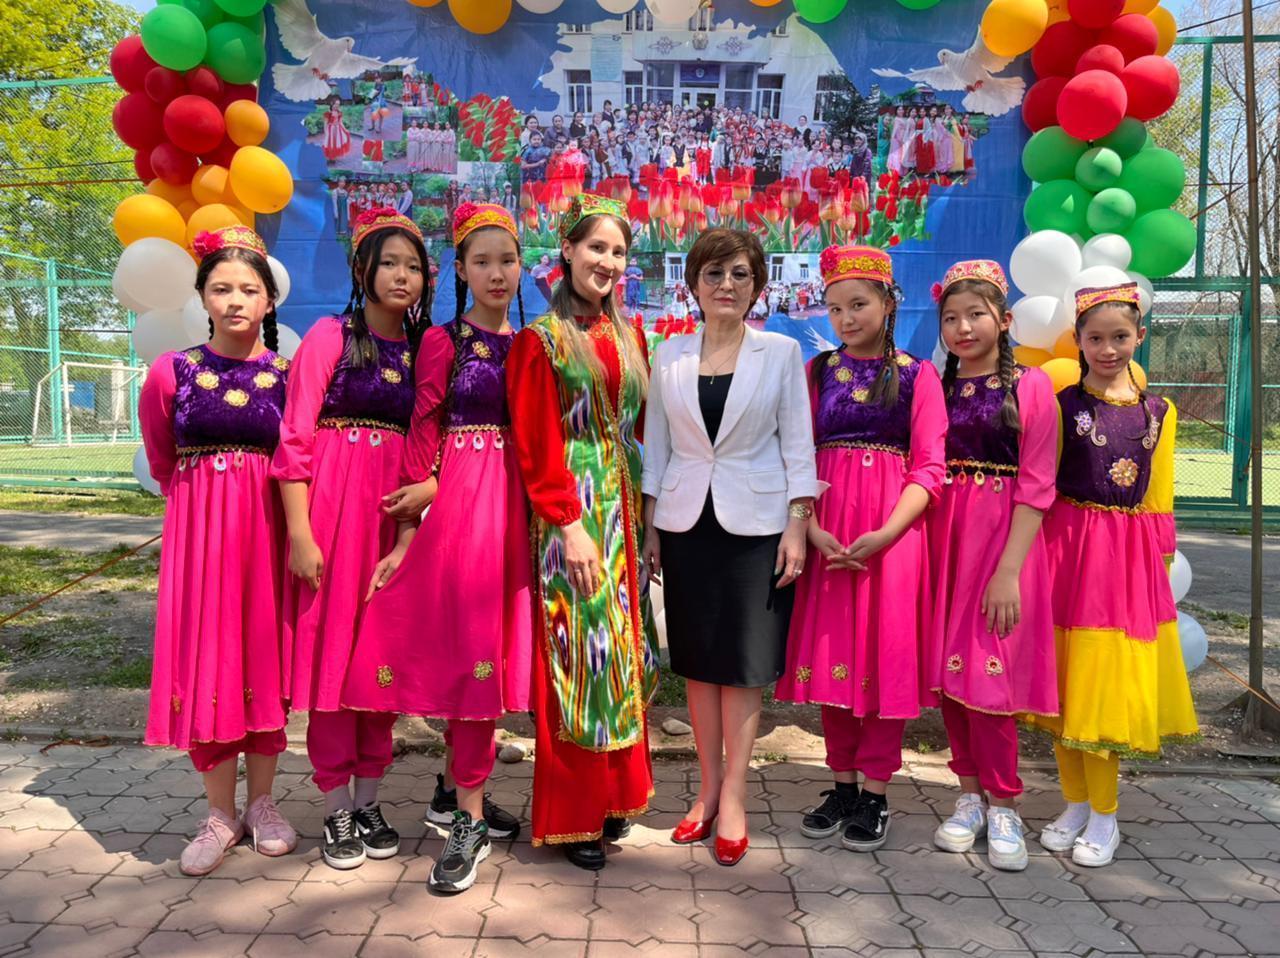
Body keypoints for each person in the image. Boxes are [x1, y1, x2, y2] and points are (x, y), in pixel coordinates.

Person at [348, 203, 529, 893]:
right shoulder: (442, 342)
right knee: (468, 657)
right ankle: (468, 822)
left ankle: (455, 796)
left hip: (517, 512)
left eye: (506, 260)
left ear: (522, 267)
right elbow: (424, 429)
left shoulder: (534, 344)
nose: (495, 273)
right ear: (459, 270)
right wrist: (410, 526)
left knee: (493, 660)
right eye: (481, 261)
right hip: (461, 508)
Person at [641, 229, 817, 867]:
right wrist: (652, 526)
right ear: (693, 283)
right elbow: (657, 450)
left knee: (742, 664)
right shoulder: (669, 355)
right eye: (713, 273)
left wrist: (797, 523)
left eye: (740, 274)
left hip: (759, 526)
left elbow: (798, 446)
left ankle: (736, 797)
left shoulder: (780, 354)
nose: (726, 285)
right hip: (686, 523)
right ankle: (707, 791)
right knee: (698, 663)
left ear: (757, 287)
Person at [271, 207, 430, 870]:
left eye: (413, 266)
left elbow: (438, 438)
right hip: (334, 518)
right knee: (333, 661)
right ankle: (336, 806)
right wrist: (300, 532)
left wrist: (428, 494)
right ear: (362, 269)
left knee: (380, 659)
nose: (401, 276)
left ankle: (369, 799)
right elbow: (294, 438)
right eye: (389, 263)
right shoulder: (328, 338)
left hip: (394, 523)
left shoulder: (425, 351)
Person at [775, 245, 946, 853]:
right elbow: (794, 455)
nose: (846, 318)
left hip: (891, 540)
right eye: (835, 308)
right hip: (828, 536)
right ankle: (842, 785)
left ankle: (875, 793)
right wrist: (811, 528)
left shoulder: (919, 375)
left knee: (883, 658)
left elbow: (929, 467)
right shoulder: (817, 372)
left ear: (888, 304)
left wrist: (888, 534)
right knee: (833, 660)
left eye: (859, 305)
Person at [506, 193, 658, 871]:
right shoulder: (539, 342)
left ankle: (615, 797)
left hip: (624, 518)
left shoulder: (632, 337)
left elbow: (643, 433)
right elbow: (536, 444)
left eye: (619, 251)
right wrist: (568, 524)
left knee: (623, 657)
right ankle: (573, 814)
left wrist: (649, 521)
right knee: (581, 659)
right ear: (566, 250)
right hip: (574, 519)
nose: (608, 262)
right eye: (596, 247)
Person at [139, 224, 296, 876]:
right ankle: (219, 815)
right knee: (208, 662)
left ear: (268, 301)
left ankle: (262, 804)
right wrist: (205, 503)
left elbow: (298, 459)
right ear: (202, 297)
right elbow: (161, 458)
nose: (236, 300)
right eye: (222, 288)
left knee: (262, 658)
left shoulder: (286, 376)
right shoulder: (170, 372)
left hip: (267, 538)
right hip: (200, 539)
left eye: (249, 290)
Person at [1027, 283, 1198, 867]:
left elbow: (1159, 494)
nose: (1107, 349)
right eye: (1095, 338)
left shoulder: (1160, 412)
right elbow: (1041, 483)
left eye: (1119, 337)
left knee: (1102, 689)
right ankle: (1074, 803)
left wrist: (1159, 563)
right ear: (1077, 341)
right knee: (1066, 687)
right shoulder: (1061, 405)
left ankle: (1105, 815)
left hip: (1123, 563)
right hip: (1065, 552)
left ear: (1139, 337)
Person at [928, 261, 1059, 872]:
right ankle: (969, 796)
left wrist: (1008, 571)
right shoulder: (935, 386)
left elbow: (1037, 485)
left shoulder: (1031, 387)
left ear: (1004, 321)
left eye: (975, 315)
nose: (963, 328)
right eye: (951, 318)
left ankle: (1005, 803)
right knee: (951, 675)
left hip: (1004, 547)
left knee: (991, 678)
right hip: (944, 544)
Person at [323, 97, 352, 162]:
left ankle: (334, 156)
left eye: (338, 104)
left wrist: (345, 129)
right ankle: (330, 157)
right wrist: (325, 132)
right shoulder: (328, 113)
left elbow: (340, 122)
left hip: (338, 129)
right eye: (336, 104)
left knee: (336, 142)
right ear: (332, 104)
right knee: (330, 143)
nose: (337, 106)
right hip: (330, 129)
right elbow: (325, 123)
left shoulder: (339, 112)